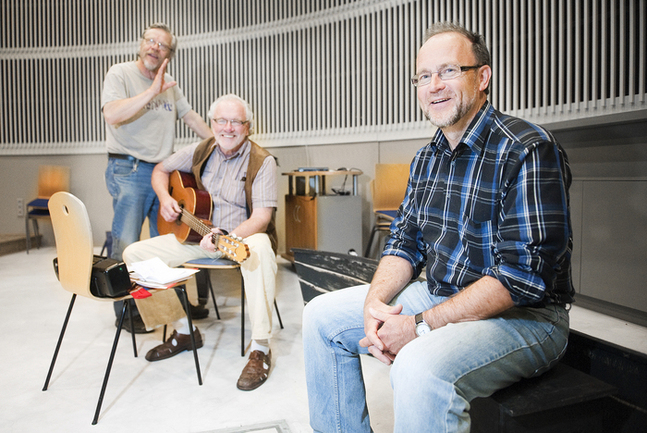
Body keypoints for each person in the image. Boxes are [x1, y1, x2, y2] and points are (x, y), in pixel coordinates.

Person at [302, 22, 575, 432]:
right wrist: (374, 304)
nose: (434, 86)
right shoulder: (427, 158)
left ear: (482, 77)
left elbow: (521, 278)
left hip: (525, 318)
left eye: (448, 71)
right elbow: (403, 243)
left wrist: (419, 325)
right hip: (442, 293)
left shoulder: (528, 148)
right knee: (320, 317)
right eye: (423, 76)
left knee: (416, 367)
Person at [122, 94, 279, 391]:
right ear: (212, 123)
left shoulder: (263, 161)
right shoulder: (201, 150)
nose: (228, 128)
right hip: (198, 237)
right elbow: (160, 170)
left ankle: (260, 346)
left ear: (248, 127)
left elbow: (262, 217)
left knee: (260, 250)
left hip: (239, 237)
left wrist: (226, 239)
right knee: (134, 255)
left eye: (236, 122)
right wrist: (166, 198)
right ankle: (184, 331)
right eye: (222, 120)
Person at [101, 22, 213, 333]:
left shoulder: (170, 85)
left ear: (169, 54)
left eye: (162, 45)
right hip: (129, 169)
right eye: (150, 41)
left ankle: (173, 306)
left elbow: (190, 117)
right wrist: (151, 90)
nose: (154, 47)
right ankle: (125, 309)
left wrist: (219, 142)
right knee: (126, 241)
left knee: (169, 242)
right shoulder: (120, 73)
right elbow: (112, 114)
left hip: (163, 171)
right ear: (141, 44)